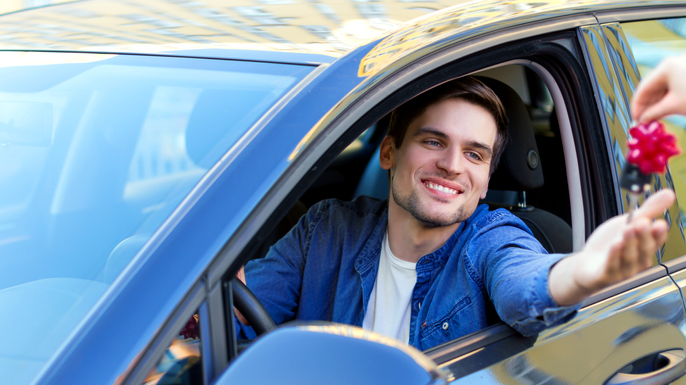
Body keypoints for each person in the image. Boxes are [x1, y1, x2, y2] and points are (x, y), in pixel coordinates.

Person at [237, 76, 673, 351]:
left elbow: (524, 283)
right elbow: (241, 316)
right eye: (432, 141)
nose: (452, 164)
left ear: (485, 181)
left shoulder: (492, 238)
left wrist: (581, 274)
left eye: (475, 154)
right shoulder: (326, 227)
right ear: (389, 151)